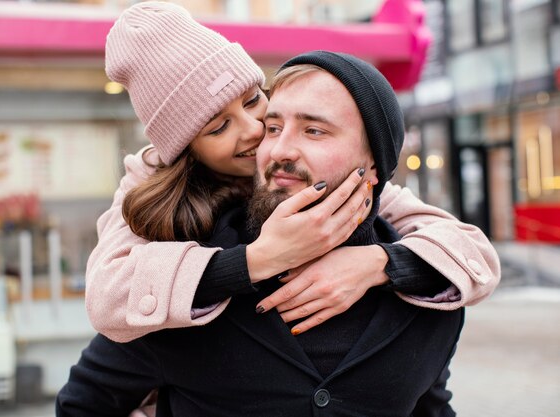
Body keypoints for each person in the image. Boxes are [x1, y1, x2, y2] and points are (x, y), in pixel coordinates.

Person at [57, 51, 466, 417]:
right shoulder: (180, 291)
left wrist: (386, 264)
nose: (274, 148)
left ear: (375, 165)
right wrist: (250, 264)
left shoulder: (429, 293)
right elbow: (80, 405)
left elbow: (432, 404)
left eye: (314, 131)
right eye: (274, 128)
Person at [85, 1, 500, 342]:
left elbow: (473, 254)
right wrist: (256, 260)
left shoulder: (314, 172)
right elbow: (106, 300)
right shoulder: (150, 186)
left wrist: (375, 263)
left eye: (251, 101)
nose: (254, 131)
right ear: (185, 150)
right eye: (218, 127)